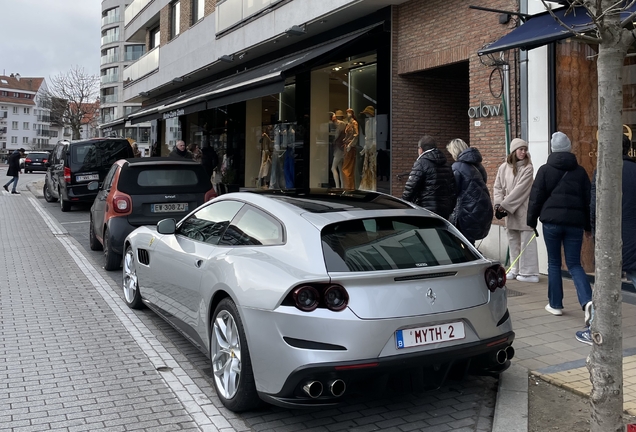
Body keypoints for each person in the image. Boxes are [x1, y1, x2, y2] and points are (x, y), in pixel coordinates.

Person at [576, 135, 636, 344]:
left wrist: (593, 231)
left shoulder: (603, 171)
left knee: (604, 284)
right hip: (632, 236)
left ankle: (594, 328)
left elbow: (595, 206)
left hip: (611, 237)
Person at [527, 131, 593, 320]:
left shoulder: (545, 170)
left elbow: (535, 198)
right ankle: (587, 301)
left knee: (554, 263)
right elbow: (588, 200)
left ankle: (555, 304)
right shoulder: (579, 171)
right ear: (569, 148)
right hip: (574, 224)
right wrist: (588, 227)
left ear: (553, 149)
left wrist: (531, 222)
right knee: (574, 264)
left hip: (551, 223)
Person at [493, 138, 539, 283]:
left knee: (526, 241)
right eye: (521, 149)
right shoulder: (503, 167)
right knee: (513, 240)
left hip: (524, 210)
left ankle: (529, 272)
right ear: (514, 151)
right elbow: (498, 187)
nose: (523, 152)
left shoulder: (528, 168)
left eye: (525, 149)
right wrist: (497, 204)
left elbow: (520, 191)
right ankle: (515, 268)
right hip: (509, 211)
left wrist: (503, 206)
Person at [447, 138, 493, 244]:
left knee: (459, 245)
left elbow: (453, 192)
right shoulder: (477, 166)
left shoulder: (456, 167)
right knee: (469, 244)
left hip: (465, 212)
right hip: (479, 211)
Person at [402, 135, 456, 220]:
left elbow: (411, 187)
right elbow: (453, 188)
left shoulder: (421, 163)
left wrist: (403, 203)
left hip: (426, 209)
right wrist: (450, 207)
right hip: (444, 209)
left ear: (421, 149)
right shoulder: (446, 164)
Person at [341, 108, 359, 189]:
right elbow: (348, 135)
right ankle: (348, 187)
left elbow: (356, 135)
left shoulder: (354, 123)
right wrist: (345, 140)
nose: (347, 114)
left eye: (349, 113)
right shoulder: (348, 123)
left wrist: (350, 145)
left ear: (352, 114)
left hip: (350, 147)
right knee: (346, 168)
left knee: (347, 168)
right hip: (347, 145)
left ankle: (349, 188)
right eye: (347, 113)